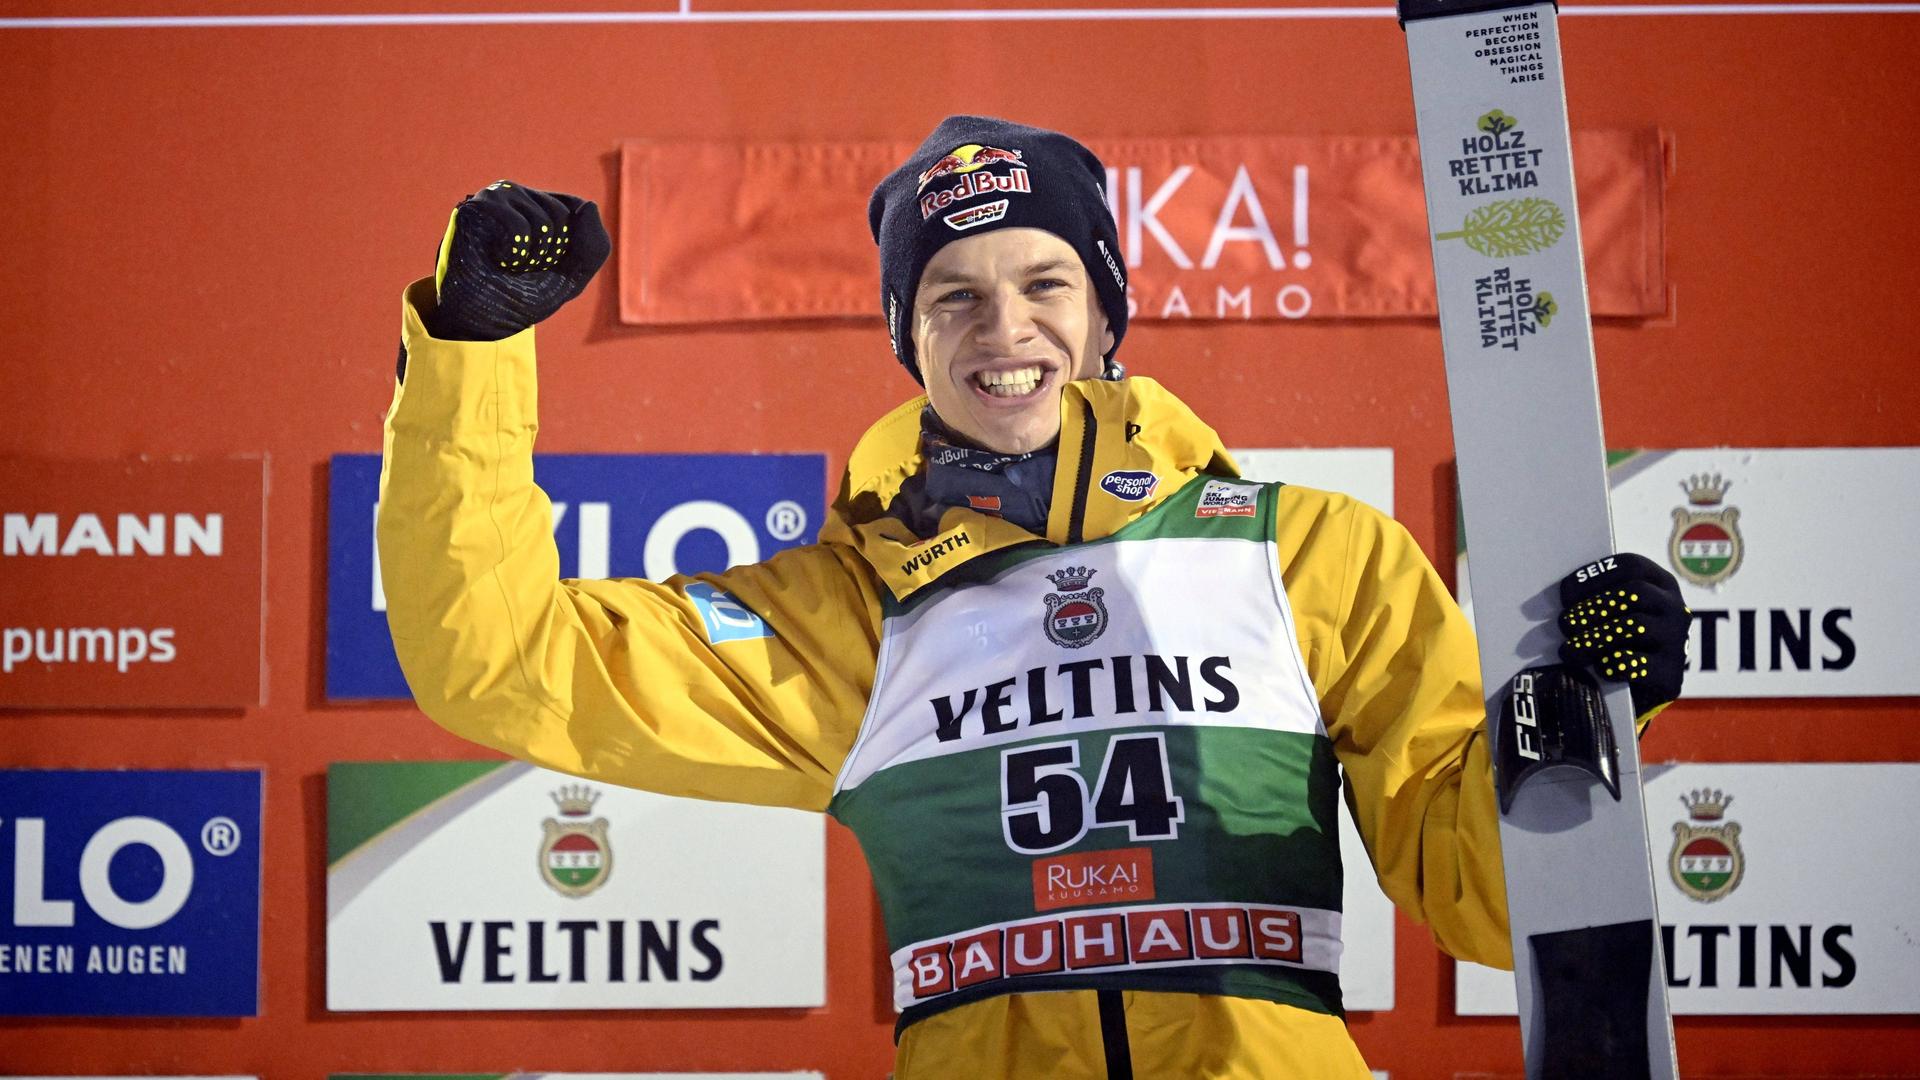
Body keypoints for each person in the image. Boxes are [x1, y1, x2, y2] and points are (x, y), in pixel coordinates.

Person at [378, 115, 1688, 1078]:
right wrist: (472, 354)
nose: (1004, 328)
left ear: (1107, 312)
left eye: (1044, 283)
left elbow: (1477, 900)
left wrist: (1580, 718)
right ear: (912, 338)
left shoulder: (1310, 557)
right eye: (954, 297)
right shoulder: (851, 617)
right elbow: (496, 658)